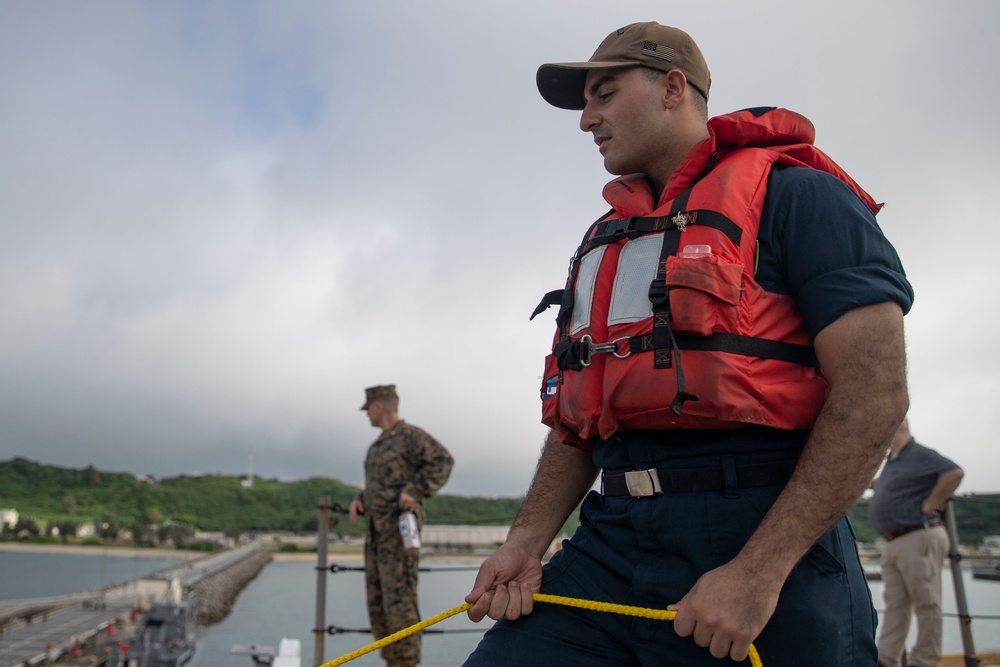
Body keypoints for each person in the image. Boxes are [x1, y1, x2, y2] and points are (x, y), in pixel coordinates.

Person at [462, 21, 914, 667]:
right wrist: (527, 538)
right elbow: (582, 413)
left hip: (761, 532)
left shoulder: (802, 198)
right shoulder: (604, 238)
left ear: (673, 87)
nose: (587, 118)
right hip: (612, 538)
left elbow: (876, 393)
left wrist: (759, 571)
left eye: (604, 94)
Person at [348, 384, 454, 667]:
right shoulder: (379, 445)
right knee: (379, 605)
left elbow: (443, 461)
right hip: (377, 538)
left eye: (368, 408)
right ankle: (392, 661)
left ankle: (406, 663)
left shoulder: (409, 436)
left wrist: (416, 490)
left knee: (401, 605)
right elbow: (382, 485)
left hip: (398, 537)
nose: (367, 414)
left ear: (379, 406)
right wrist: (361, 499)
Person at [868, 418, 964, 667]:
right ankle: (887, 659)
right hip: (893, 541)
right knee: (895, 604)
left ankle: (924, 661)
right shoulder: (892, 460)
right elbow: (885, 485)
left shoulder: (919, 454)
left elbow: (954, 472)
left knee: (926, 602)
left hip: (917, 535)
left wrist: (933, 500)